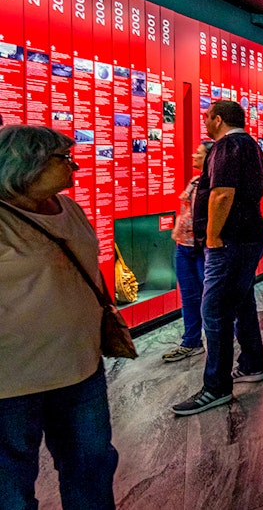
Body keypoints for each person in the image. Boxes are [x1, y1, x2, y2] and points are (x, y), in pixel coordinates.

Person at [0, 125, 119, 507]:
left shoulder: (70, 209)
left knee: (92, 467)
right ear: (27, 163)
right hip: (13, 382)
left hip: (80, 368)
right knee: (11, 486)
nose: (75, 165)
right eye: (63, 158)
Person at [172, 100, 263, 416]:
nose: (204, 123)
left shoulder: (227, 146)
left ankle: (216, 387)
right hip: (245, 237)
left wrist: (213, 237)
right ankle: (251, 364)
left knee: (214, 310)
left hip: (230, 241)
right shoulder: (249, 144)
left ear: (217, 119)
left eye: (206, 117)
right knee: (242, 303)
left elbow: (223, 193)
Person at [164, 140, 214, 363]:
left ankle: (224, 339)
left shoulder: (215, 184)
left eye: (199, 153)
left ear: (209, 158)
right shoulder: (195, 181)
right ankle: (191, 341)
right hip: (184, 246)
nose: (194, 156)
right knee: (189, 296)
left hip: (203, 247)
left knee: (212, 297)